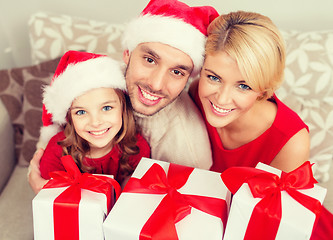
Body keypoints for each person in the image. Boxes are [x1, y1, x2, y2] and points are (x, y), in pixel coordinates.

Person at [29, 0, 219, 193]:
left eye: (177, 72)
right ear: (127, 54)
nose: (156, 84)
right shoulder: (97, 79)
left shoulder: (187, 146)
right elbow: (53, 135)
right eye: (150, 60)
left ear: (188, 76)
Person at [189, 11, 333, 240]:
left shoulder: (289, 140)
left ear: (263, 91)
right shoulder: (194, 95)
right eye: (213, 77)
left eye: (243, 86)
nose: (222, 99)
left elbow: (272, 226)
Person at [39, 50, 150, 186]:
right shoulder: (57, 151)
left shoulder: (136, 147)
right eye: (81, 112)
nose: (96, 122)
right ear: (69, 119)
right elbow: (51, 200)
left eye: (107, 108)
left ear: (123, 109)